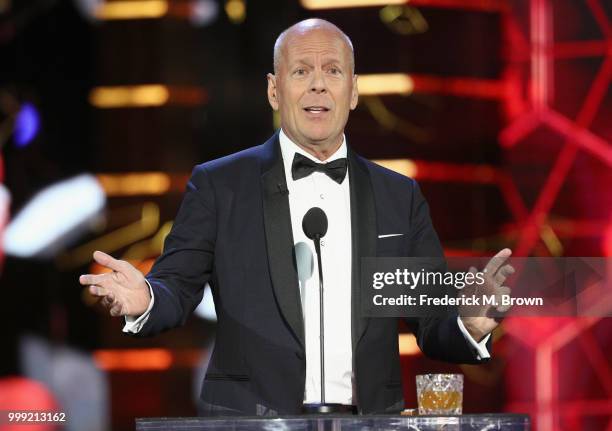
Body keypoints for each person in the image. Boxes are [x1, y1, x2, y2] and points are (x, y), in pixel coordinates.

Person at [79, 18, 514, 416]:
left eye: (333, 71)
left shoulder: (397, 195)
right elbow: (177, 284)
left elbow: (429, 317)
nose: (318, 86)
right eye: (301, 71)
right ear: (274, 89)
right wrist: (146, 300)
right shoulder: (220, 185)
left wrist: (469, 323)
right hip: (253, 422)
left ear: (355, 90)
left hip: (367, 422)